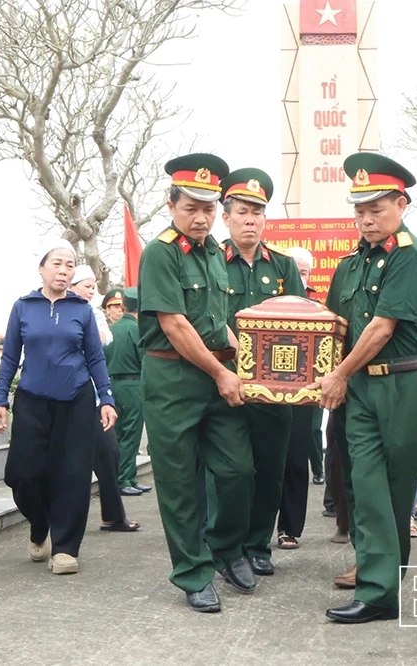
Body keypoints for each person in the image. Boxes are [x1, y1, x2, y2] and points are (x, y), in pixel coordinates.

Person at [314, 152, 417, 624]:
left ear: (401, 205)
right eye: (360, 211)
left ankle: (384, 584)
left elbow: (382, 328)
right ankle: (378, 587)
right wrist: (320, 372)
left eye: (376, 210)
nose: (366, 220)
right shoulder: (351, 264)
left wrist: (339, 374)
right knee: (365, 486)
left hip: (405, 385)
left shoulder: (409, 255)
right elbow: (334, 327)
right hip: (361, 388)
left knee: (393, 489)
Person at [138, 153, 255, 613]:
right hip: (173, 379)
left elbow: (215, 319)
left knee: (237, 471)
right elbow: (175, 325)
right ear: (171, 206)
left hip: (217, 375)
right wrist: (222, 372)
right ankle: (192, 572)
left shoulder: (213, 253)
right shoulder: (160, 252)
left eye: (208, 209)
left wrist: (245, 362)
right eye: (191, 208)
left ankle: (225, 547)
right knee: (180, 482)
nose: (201, 218)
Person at [0, 240, 116, 575]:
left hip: (76, 399)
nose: (63, 271)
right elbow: (9, 357)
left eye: (70, 265)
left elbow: (95, 357)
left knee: (73, 474)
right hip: (32, 399)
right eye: (57, 264)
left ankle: (65, 549)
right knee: (21, 474)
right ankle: (39, 524)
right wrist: (0, 400)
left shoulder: (81, 310)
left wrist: (106, 398)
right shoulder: (23, 307)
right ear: (42, 269)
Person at [213, 167, 305, 574]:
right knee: (232, 472)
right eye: (242, 212)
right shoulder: (212, 262)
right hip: (225, 384)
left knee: (270, 470)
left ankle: (257, 547)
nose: (250, 220)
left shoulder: (283, 266)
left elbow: (303, 322)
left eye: (257, 212)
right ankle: (226, 545)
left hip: (275, 390)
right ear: (226, 216)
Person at [68, 267, 139, 533]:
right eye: (86, 286)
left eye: (93, 287)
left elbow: (103, 339)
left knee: (109, 452)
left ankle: (113, 516)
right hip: (61, 396)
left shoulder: (92, 313)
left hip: (93, 395)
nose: (91, 292)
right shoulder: (51, 310)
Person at [277, 246, 321, 549]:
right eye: (292, 270)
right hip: (262, 394)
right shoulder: (264, 307)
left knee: (295, 460)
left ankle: (289, 528)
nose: (297, 276)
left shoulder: (318, 312)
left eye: (302, 271)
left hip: (302, 395)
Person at [105, 287, 148, 497]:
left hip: (111, 385)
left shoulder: (110, 329)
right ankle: (124, 478)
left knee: (119, 433)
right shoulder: (137, 329)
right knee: (131, 434)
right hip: (133, 385)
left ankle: (127, 477)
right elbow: (144, 360)